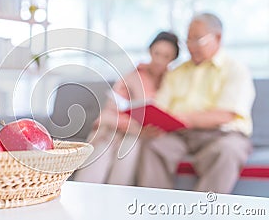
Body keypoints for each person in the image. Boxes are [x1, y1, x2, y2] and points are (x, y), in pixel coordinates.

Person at [137, 13, 255, 194]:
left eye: (197, 40)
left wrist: (185, 118)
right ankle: (154, 208)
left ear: (218, 37)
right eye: (188, 41)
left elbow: (225, 114)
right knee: (153, 145)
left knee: (228, 151)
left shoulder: (235, 70)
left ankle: (202, 212)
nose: (191, 47)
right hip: (180, 135)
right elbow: (160, 107)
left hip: (222, 135)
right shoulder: (177, 72)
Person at [74, 31, 180, 185]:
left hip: (145, 135)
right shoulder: (132, 77)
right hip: (119, 128)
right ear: (150, 51)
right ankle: (85, 193)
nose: (159, 60)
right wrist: (133, 128)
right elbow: (111, 111)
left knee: (130, 145)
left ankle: (115, 196)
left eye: (166, 56)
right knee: (109, 141)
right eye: (157, 53)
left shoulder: (172, 81)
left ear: (172, 58)